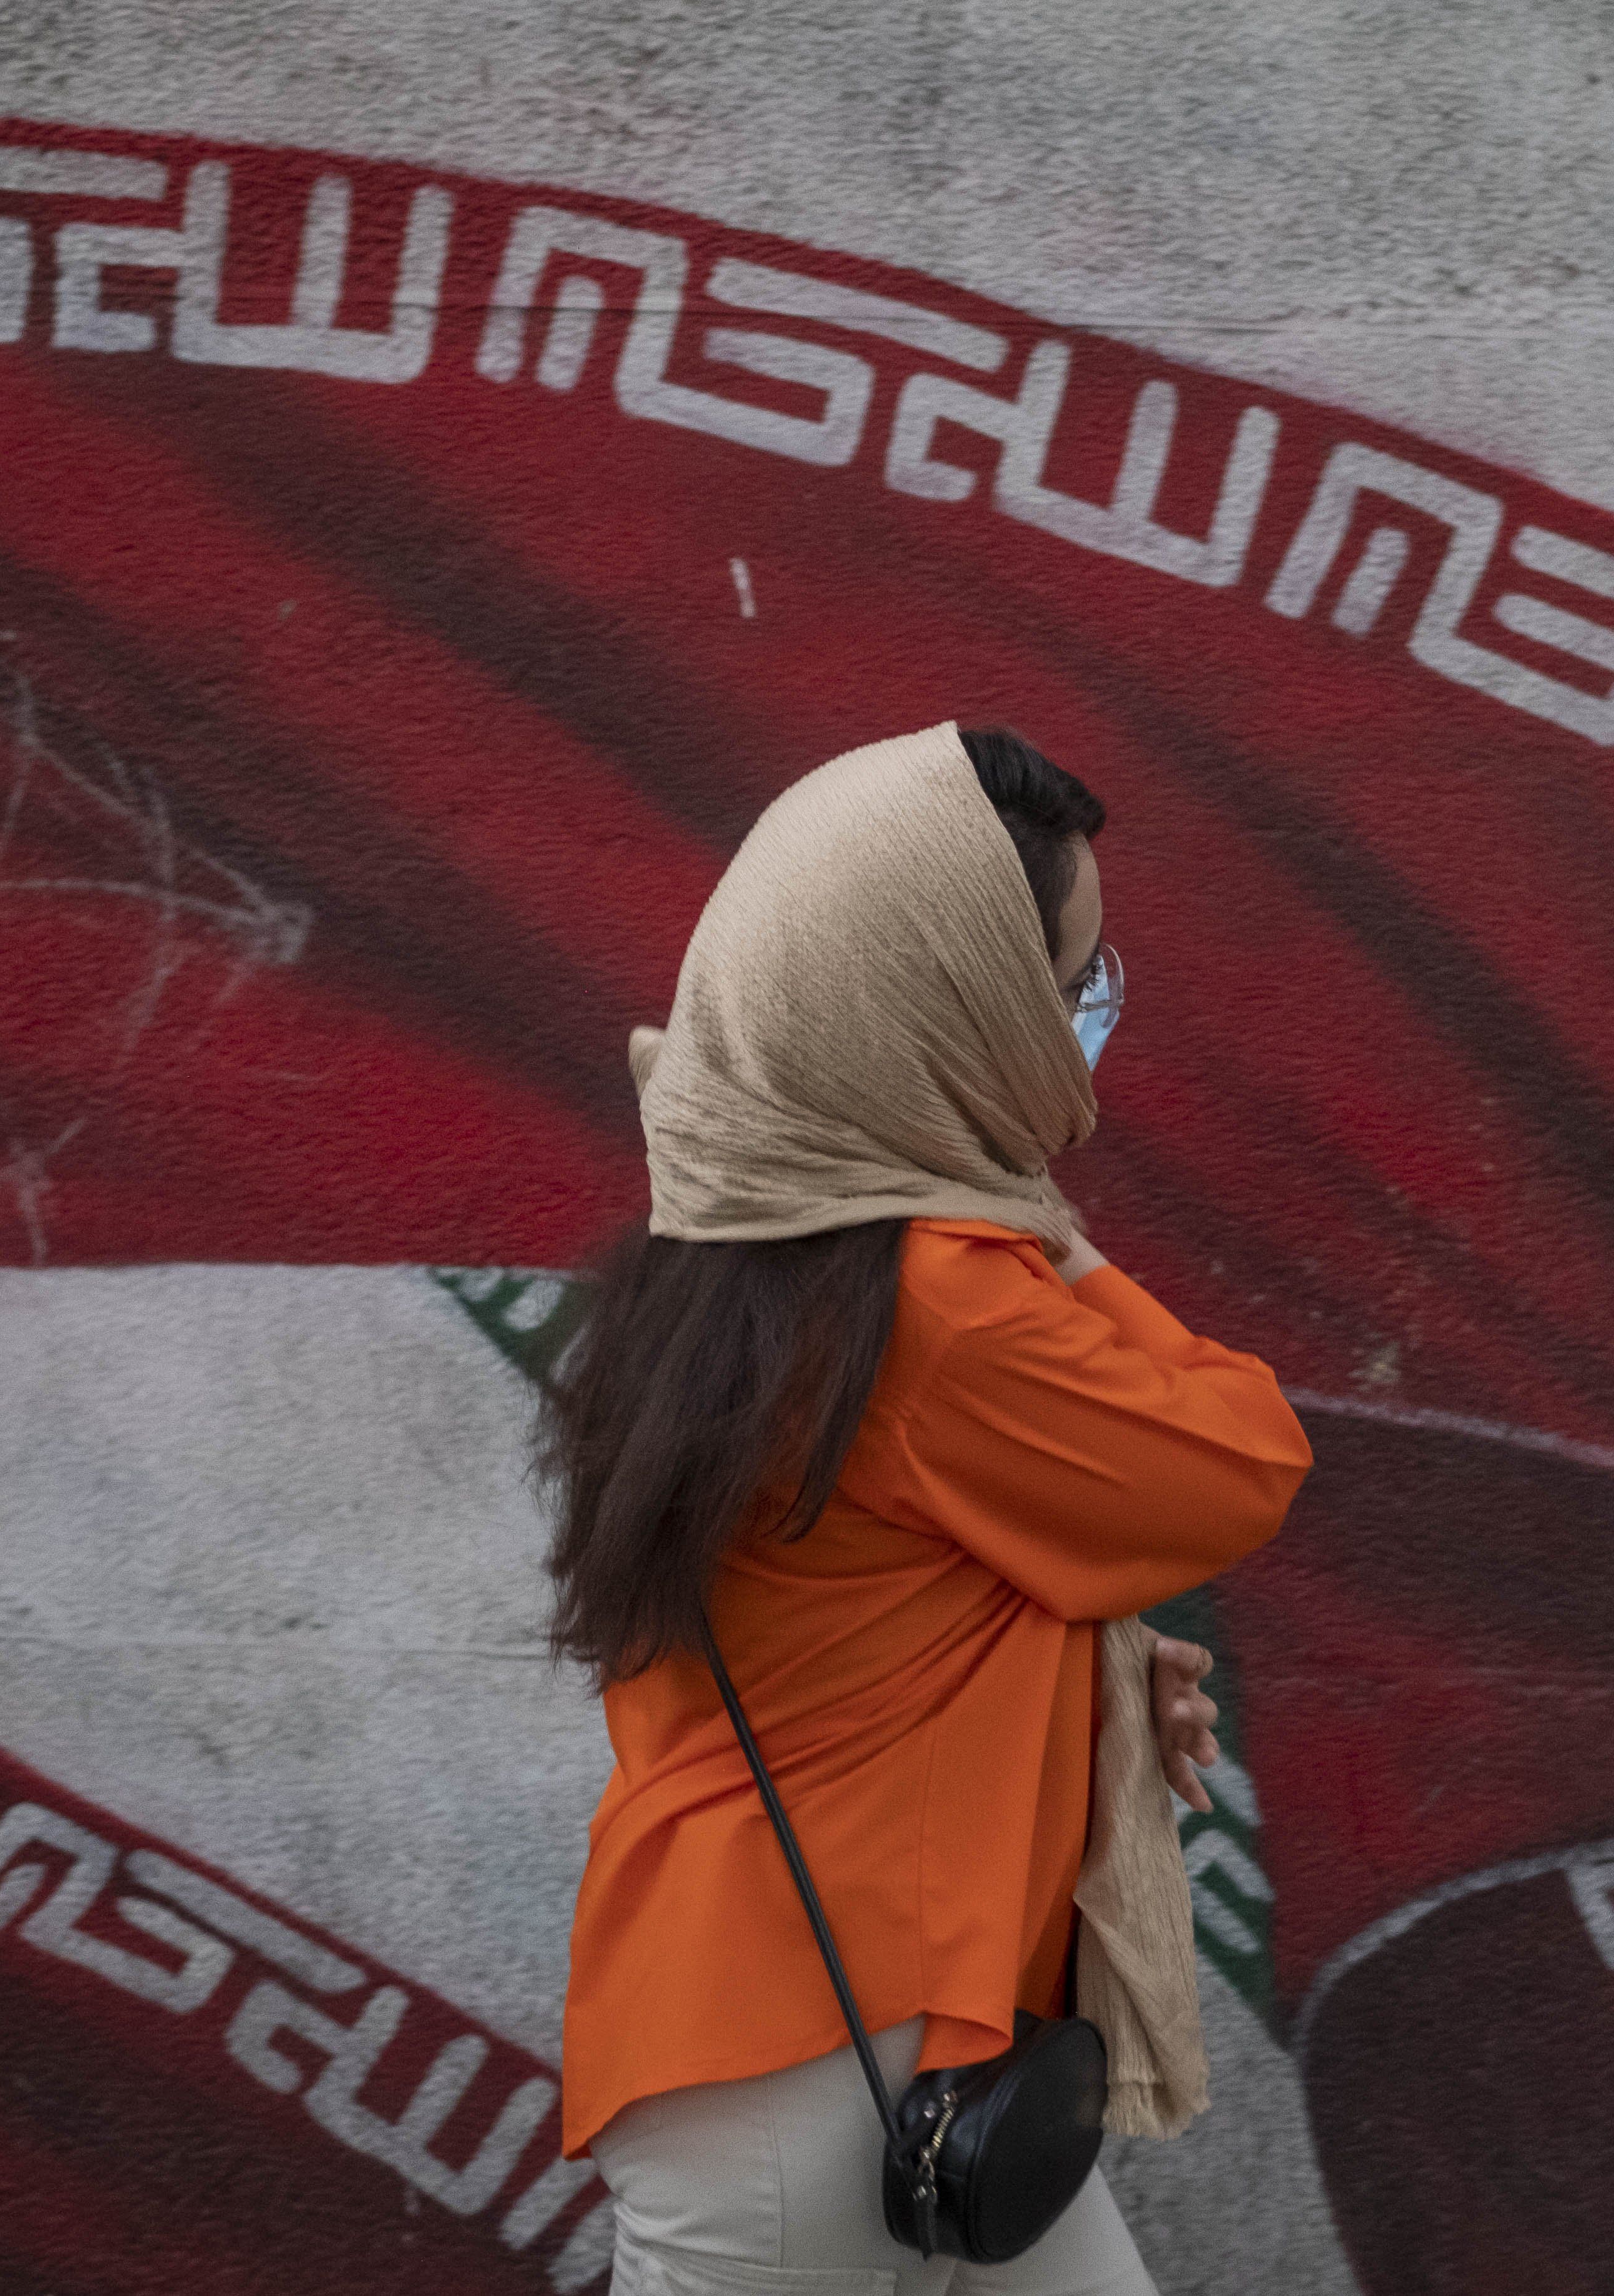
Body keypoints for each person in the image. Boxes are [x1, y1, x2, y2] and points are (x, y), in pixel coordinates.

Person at [541, 721, 1312, 2295]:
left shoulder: (724, 1251)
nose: (1086, 1026)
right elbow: (1237, 1457)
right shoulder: (941, 1296)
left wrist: (1076, 1647)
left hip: (858, 2034)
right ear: (950, 1000)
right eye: (1070, 984)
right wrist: (1062, 1237)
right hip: (813, 2061)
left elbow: (888, 1591)